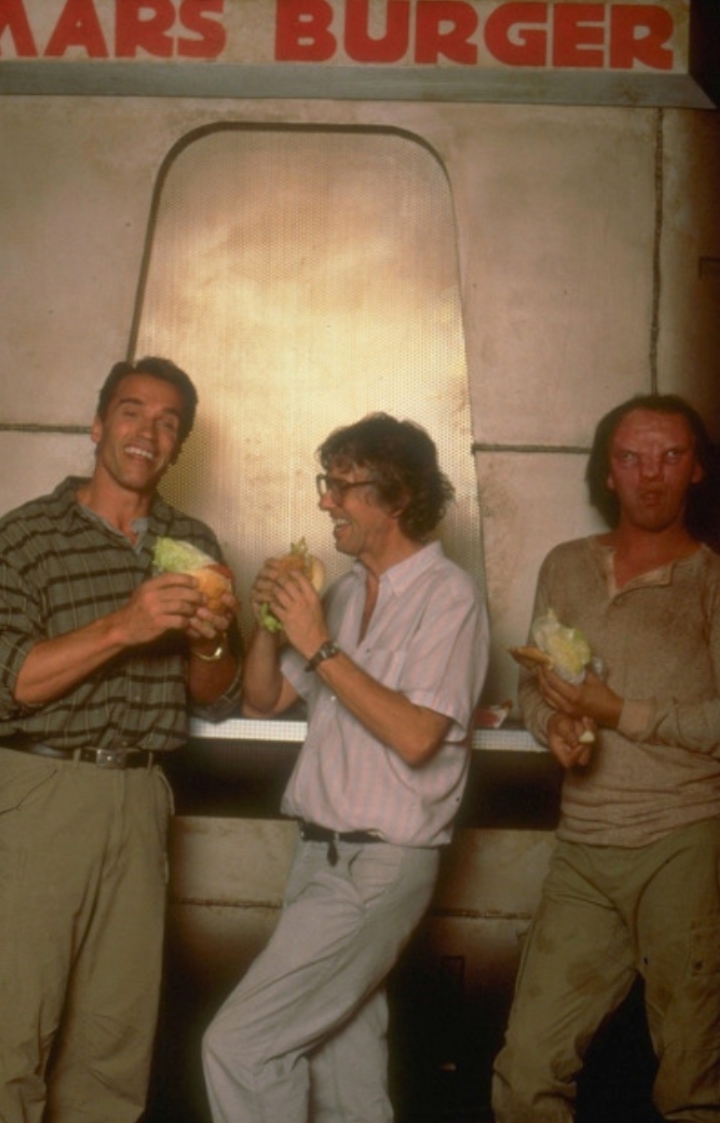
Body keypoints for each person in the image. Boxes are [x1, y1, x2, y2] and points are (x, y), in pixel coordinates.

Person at [202, 412, 489, 1123]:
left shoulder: (449, 596)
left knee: (242, 1048)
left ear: (397, 498)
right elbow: (264, 698)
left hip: (377, 867)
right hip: (317, 859)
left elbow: (418, 736)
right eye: (324, 482)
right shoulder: (343, 590)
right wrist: (270, 624)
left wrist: (321, 645)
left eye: (341, 486)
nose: (325, 500)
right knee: (344, 1077)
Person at [0, 356, 242, 1123]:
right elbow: (12, 680)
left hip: (141, 797)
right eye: (133, 411)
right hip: (41, 792)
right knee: (11, 1030)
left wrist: (210, 639)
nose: (149, 432)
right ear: (98, 424)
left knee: (114, 1045)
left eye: (169, 422)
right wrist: (124, 626)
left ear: (179, 446)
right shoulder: (26, 536)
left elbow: (213, 691)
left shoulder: (192, 540)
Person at [492, 393, 720, 1122]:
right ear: (608, 472)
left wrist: (619, 712)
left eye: (670, 456)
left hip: (685, 844)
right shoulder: (565, 566)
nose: (650, 474)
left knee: (690, 1085)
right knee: (527, 1073)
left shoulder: (710, 579)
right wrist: (553, 723)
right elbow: (535, 682)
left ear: (697, 470)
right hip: (585, 849)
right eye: (631, 457)